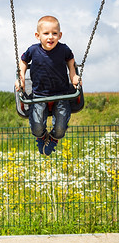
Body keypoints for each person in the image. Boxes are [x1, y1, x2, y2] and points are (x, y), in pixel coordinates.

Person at [15, 15, 81, 156]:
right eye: (46, 33)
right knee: (37, 127)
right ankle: (42, 136)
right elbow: (23, 62)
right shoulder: (33, 50)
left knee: (60, 128)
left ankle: (53, 138)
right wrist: (21, 78)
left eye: (54, 33)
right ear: (37, 35)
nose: (50, 37)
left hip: (62, 94)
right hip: (39, 94)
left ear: (60, 35)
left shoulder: (63, 50)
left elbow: (70, 60)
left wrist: (73, 75)